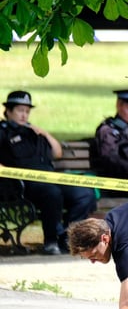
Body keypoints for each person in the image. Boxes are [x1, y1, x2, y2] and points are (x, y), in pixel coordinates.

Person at [0, 91, 96, 255]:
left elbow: (57, 152)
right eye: (20, 110)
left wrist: (44, 133)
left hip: (50, 178)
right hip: (22, 184)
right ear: (8, 111)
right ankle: (51, 241)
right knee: (52, 193)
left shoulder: (33, 132)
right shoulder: (3, 132)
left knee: (84, 194)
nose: (24, 115)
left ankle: (68, 238)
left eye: (27, 111)